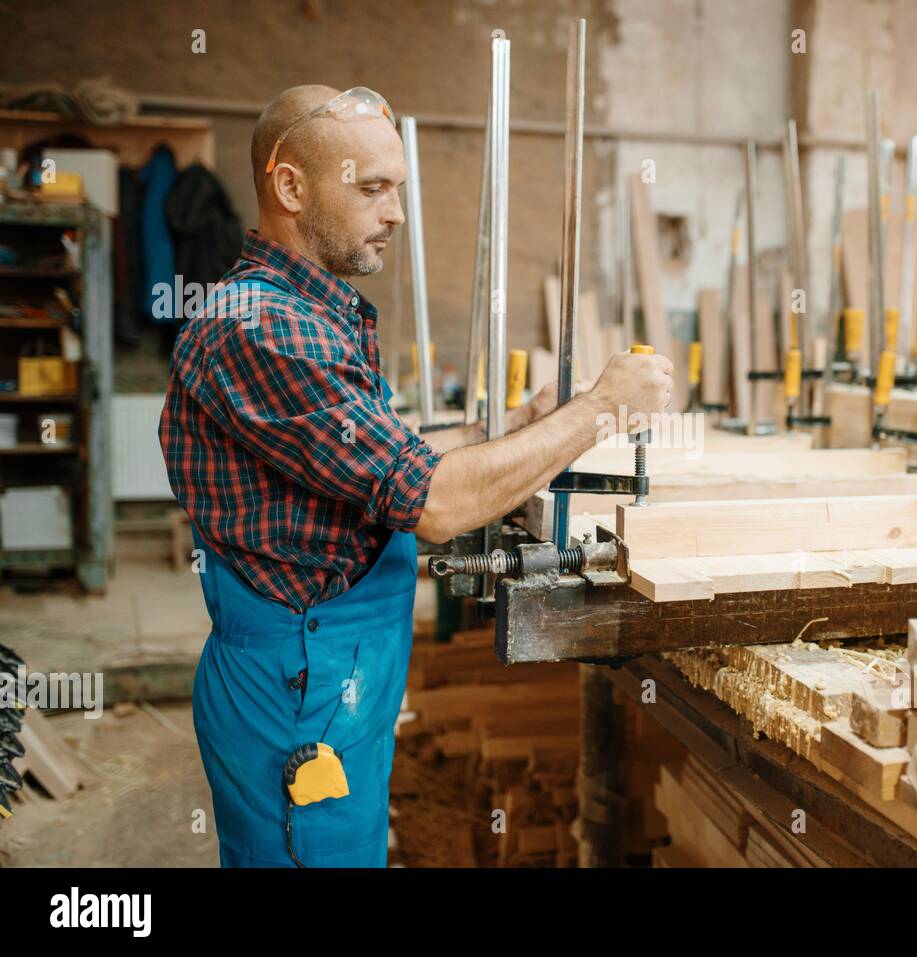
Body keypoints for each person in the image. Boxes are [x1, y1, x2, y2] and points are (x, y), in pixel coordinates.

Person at [158, 84, 672, 867]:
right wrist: (597, 409)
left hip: (329, 673)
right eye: (371, 189)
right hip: (301, 686)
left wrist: (521, 427)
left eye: (397, 189)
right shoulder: (264, 326)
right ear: (290, 186)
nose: (395, 212)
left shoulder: (306, 311)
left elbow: (382, 447)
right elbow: (432, 502)